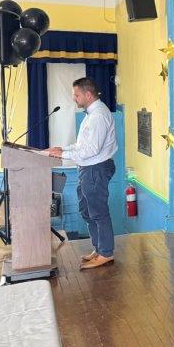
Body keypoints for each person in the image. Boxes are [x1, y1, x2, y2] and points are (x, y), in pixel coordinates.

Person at [48, 77, 117, 270]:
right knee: (86, 211)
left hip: (95, 169)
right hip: (87, 169)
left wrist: (63, 154)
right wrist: (63, 149)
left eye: (76, 95)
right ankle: (99, 248)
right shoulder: (91, 114)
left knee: (98, 213)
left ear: (88, 94)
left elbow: (91, 150)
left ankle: (106, 253)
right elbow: (82, 145)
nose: (74, 98)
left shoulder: (98, 116)